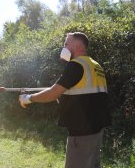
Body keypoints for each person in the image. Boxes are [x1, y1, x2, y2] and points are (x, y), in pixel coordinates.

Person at [19, 32, 111, 168]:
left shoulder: (76, 65)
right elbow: (87, 96)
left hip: (81, 134)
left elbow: (52, 93)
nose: (64, 48)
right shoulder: (96, 66)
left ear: (78, 45)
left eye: (66, 44)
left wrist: (28, 98)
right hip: (96, 131)